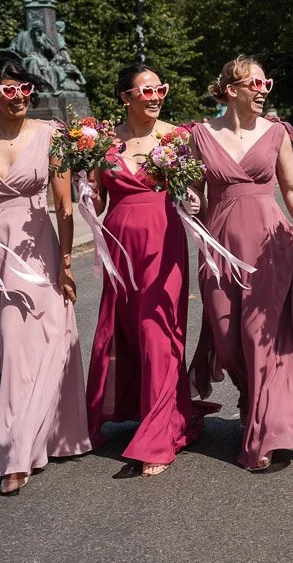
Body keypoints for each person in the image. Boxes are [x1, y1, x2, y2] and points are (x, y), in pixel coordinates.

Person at [0, 54, 90, 495]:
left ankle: (15, 457)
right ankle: (34, 433)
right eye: (8, 90)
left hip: (36, 251)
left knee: (25, 344)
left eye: (25, 88)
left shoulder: (52, 135)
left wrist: (65, 263)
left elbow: (63, 206)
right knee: (5, 348)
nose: (19, 97)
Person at [188, 55, 293, 471]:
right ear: (231, 89)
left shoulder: (277, 133)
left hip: (270, 246)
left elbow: (291, 186)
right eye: (256, 84)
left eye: (268, 84)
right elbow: (195, 193)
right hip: (219, 246)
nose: (264, 90)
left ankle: (266, 432)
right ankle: (250, 398)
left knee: (258, 336)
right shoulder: (199, 135)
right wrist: (191, 202)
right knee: (227, 339)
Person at [85, 62, 211, 478]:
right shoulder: (103, 143)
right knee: (123, 330)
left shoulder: (178, 137)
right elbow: (98, 202)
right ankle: (140, 409)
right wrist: (85, 197)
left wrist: (194, 202)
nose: (156, 97)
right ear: (125, 97)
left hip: (163, 244)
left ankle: (159, 435)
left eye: (161, 90)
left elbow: (195, 194)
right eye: (146, 91)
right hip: (119, 248)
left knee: (159, 332)